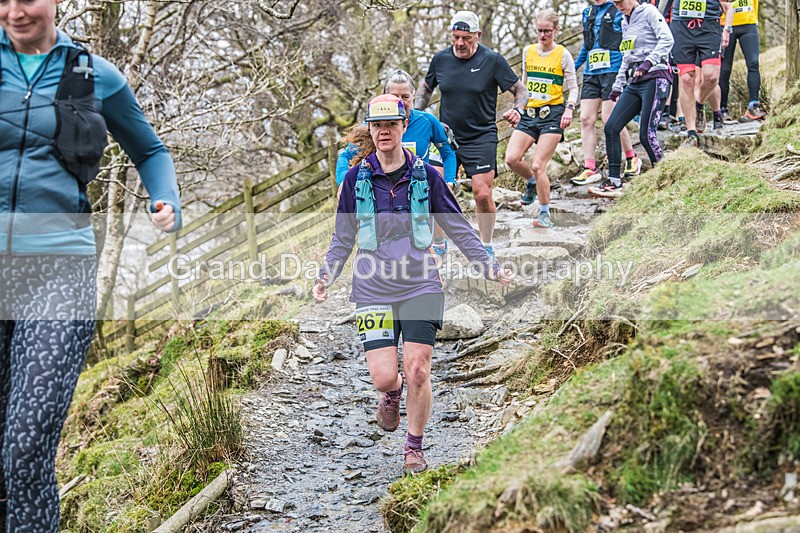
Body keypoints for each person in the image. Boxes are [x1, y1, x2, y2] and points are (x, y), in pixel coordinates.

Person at [0, 0, 182, 530]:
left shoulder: (93, 75)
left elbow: (150, 151)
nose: (14, 11)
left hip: (57, 273)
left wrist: (163, 197)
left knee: (27, 441)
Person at [313, 95, 511, 474]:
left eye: (391, 124)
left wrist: (488, 264)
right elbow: (342, 237)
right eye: (377, 125)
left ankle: (414, 448)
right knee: (386, 375)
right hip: (372, 286)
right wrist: (327, 274)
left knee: (419, 369)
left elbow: (457, 227)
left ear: (405, 126)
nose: (384, 131)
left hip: (422, 283)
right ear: (370, 130)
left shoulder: (427, 175)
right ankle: (391, 392)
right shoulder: (355, 180)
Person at [415, 10, 527, 259]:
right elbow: (425, 89)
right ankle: (440, 244)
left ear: (478, 34)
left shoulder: (493, 60)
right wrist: (414, 114)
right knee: (437, 190)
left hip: (481, 136)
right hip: (446, 137)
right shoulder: (440, 59)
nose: (460, 43)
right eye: (455, 37)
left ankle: (485, 245)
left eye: (466, 37)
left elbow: (520, 89)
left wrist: (518, 108)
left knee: (483, 193)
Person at [336, 69, 457, 255]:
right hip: (384, 197)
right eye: (394, 96)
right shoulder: (374, 125)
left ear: (414, 96)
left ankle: (437, 253)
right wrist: (344, 181)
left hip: (418, 194)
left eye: (405, 96)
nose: (401, 101)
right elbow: (344, 157)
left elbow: (447, 154)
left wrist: (449, 181)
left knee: (423, 248)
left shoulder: (427, 121)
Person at [590, 0, 674, 198]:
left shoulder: (650, 12)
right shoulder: (624, 21)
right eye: (615, 4)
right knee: (611, 127)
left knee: (646, 133)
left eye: (620, 2)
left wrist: (648, 62)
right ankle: (614, 180)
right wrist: (617, 86)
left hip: (656, 76)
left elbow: (667, 40)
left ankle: (664, 178)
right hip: (635, 81)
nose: (618, 7)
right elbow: (626, 56)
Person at [504, 10, 578, 229]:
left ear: (556, 30)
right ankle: (531, 182)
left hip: (553, 114)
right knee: (511, 158)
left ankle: (545, 212)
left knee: (538, 165)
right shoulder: (529, 51)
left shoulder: (563, 54)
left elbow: (573, 88)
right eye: (540, 31)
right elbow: (524, 86)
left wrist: (569, 110)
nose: (543, 35)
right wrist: (518, 109)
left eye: (547, 31)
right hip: (530, 114)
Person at [572, 0, 641, 187]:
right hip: (591, 73)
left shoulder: (618, 9)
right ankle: (590, 167)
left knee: (611, 117)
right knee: (586, 118)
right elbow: (587, 46)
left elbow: (629, 39)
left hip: (612, 70)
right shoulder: (587, 12)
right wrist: (572, 68)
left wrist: (628, 67)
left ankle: (631, 157)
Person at [669, 0, 733, 146]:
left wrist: (727, 30)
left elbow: (729, 6)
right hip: (682, 27)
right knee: (686, 78)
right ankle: (691, 132)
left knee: (711, 76)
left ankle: (699, 103)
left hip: (709, 26)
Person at [719, 0, 765, 122]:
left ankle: (753, 106)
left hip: (748, 23)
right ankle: (722, 108)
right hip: (725, 24)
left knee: (753, 63)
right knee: (725, 68)